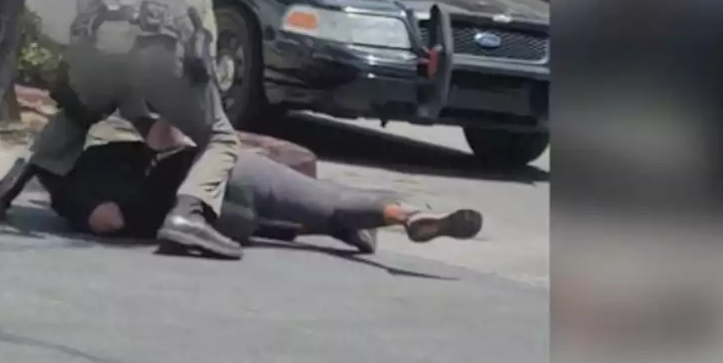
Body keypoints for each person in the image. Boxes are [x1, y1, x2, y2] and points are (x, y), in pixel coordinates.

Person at [0, 0, 244, 260]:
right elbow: (200, 66)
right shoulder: (199, 2)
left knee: (77, 115)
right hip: (164, 50)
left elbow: (120, 84)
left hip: (97, 45)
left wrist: (140, 121)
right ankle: (187, 216)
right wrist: (177, 120)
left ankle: (8, 186)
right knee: (221, 138)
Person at [32, 115, 484, 252]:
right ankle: (404, 216)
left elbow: (107, 221)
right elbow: (165, 137)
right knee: (327, 200)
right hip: (229, 176)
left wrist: (135, 216)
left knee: (280, 222)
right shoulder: (107, 150)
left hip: (223, 222)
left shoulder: (71, 192)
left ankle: (342, 226)